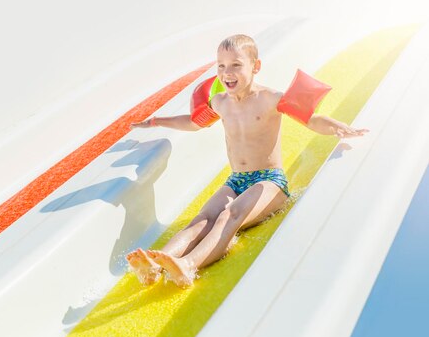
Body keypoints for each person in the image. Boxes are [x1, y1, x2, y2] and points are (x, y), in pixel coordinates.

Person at [126, 34, 368, 288]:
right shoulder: (219, 102)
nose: (226, 72)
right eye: (221, 65)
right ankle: (156, 265)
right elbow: (193, 123)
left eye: (235, 65)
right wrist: (155, 121)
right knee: (201, 220)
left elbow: (311, 119)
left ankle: (188, 265)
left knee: (227, 216)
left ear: (256, 66)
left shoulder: (271, 98)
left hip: (269, 182)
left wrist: (338, 127)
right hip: (237, 180)